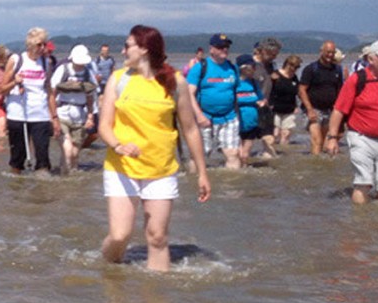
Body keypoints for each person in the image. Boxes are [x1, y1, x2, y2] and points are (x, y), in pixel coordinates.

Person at [98, 25, 211, 272]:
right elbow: (104, 126)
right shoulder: (118, 79)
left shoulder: (174, 81)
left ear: (144, 49)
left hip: (161, 168)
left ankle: (156, 301)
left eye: (128, 45)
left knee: (157, 236)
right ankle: (107, 270)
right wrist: (118, 145)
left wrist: (202, 172)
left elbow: (190, 129)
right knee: (119, 236)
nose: (123, 50)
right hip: (122, 168)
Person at [326, 40, 378, 204]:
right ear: (371, 60)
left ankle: (375, 224)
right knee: (364, 183)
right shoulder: (357, 80)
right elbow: (339, 110)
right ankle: (357, 224)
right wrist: (332, 138)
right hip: (361, 137)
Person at [2, 28, 56, 174]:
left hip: (40, 115)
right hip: (18, 115)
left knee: (43, 157)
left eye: (44, 44)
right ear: (30, 45)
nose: (43, 48)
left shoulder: (46, 62)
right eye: (39, 45)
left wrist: (54, 117)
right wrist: (15, 82)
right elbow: (2, 89)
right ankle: (17, 191)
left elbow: (49, 91)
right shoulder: (16, 60)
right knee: (17, 160)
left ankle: (42, 192)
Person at [187, 34, 241, 169]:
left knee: (233, 154)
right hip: (205, 117)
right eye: (220, 47)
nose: (224, 50)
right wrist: (199, 116)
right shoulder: (200, 67)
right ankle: (195, 182)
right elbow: (189, 94)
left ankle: (233, 188)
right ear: (211, 49)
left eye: (226, 47)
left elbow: (237, 93)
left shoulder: (233, 68)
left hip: (229, 117)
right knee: (198, 154)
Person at [51, 44, 97, 173]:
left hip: (80, 117)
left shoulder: (88, 73)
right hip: (62, 114)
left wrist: (90, 116)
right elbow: (52, 93)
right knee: (68, 150)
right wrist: (52, 116)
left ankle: (70, 179)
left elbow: (90, 96)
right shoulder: (63, 70)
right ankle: (65, 180)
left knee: (75, 153)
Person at [298, 40, 344, 155]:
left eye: (332, 53)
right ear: (321, 51)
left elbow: (340, 91)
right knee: (317, 140)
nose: (330, 55)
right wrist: (309, 110)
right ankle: (315, 166)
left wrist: (339, 111)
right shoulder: (311, 69)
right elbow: (302, 90)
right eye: (328, 52)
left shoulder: (337, 70)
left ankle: (323, 168)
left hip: (329, 110)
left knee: (325, 141)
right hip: (313, 109)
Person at [234, 55, 263, 164]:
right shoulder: (234, 83)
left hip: (252, 122)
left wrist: (262, 102)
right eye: (252, 67)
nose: (254, 70)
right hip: (237, 123)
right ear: (243, 68)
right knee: (236, 154)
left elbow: (260, 98)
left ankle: (244, 170)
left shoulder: (254, 83)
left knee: (245, 154)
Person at [269, 55, 303, 146]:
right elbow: (268, 90)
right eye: (292, 66)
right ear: (286, 64)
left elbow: (296, 92)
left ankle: (284, 151)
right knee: (275, 133)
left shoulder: (294, 78)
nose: (293, 69)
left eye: (296, 67)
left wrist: (296, 106)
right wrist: (269, 104)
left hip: (289, 109)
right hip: (275, 108)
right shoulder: (275, 75)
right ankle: (272, 152)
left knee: (286, 134)